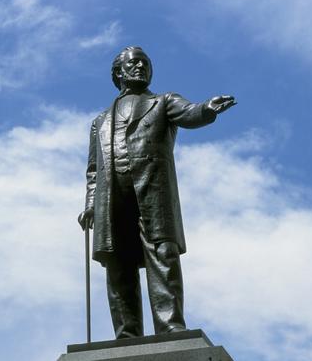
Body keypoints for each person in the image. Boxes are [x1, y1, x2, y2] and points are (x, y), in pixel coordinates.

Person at [78, 46, 236, 338]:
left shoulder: (163, 102)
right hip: (112, 197)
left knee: (163, 255)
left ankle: (170, 326)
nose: (140, 67)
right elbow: (93, 170)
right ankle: (127, 333)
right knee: (118, 264)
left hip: (152, 192)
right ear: (118, 73)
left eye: (145, 63)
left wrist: (207, 108)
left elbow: (190, 113)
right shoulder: (100, 122)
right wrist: (90, 204)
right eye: (133, 63)